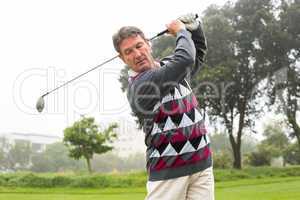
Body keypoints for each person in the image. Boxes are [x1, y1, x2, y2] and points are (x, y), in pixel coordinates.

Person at [112, 13, 214, 200]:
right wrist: (181, 31)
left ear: (148, 43)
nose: (137, 54)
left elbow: (196, 53)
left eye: (139, 46)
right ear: (122, 58)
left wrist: (195, 27)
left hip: (202, 164)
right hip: (169, 171)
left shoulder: (170, 66)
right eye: (128, 52)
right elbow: (185, 59)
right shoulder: (140, 86)